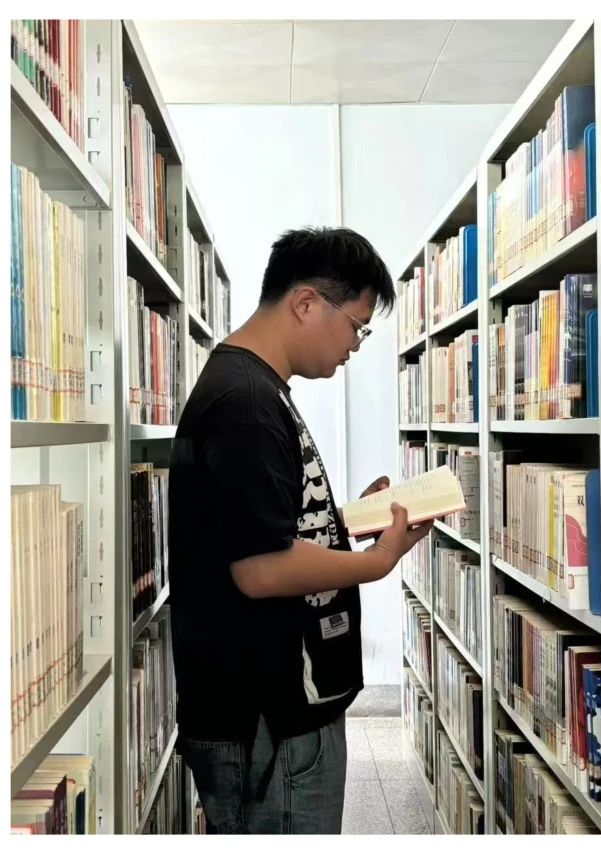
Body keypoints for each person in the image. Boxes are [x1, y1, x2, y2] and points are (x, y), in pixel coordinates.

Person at [167, 226, 431, 834]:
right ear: (307, 302)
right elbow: (260, 569)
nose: (355, 345)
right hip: (268, 724)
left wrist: (349, 523)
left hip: (274, 719)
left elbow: (260, 524)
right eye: (357, 326)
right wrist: (375, 562)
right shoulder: (246, 402)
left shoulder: (257, 388)